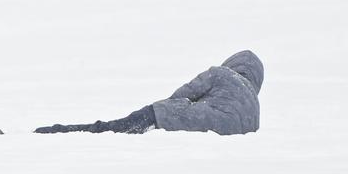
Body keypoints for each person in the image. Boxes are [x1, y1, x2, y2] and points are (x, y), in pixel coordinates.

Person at [35, 50, 265, 136]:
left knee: (106, 129)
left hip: (165, 118)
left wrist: (169, 110)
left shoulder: (223, 74)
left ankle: (49, 132)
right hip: (190, 140)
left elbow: (185, 93)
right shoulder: (255, 115)